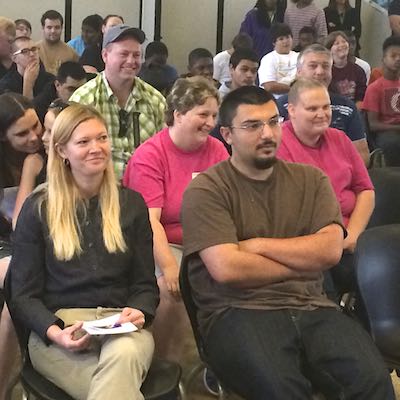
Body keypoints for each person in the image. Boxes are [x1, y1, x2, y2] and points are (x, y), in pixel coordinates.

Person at [181, 85, 395, 400]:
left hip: (312, 306)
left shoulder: (312, 181)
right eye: (252, 126)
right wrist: (303, 264)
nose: (267, 133)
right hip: (237, 311)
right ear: (226, 134)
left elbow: (331, 250)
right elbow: (228, 269)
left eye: (272, 122)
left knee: (374, 382)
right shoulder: (207, 190)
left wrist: (257, 246)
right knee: (283, 391)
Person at [6, 103, 159, 400]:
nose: (97, 148)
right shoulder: (39, 209)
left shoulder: (132, 205)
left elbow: (144, 285)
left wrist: (140, 311)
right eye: (84, 142)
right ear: (62, 151)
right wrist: (55, 331)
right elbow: (22, 295)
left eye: (102, 138)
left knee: (124, 355)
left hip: (121, 326)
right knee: (116, 388)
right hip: (62, 328)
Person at [123, 77, 228, 365]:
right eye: (202, 114)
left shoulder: (217, 150)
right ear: (178, 114)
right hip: (162, 241)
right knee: (177, 287)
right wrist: (169, 267)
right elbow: (150, 222)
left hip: (206, 240)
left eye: (214, 115)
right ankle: (177, 370)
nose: (210, 122)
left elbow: (226, 207)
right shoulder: (150, 156)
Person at [277, 78, 374, 298]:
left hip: (351, 235)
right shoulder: (278, 144)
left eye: (326, 107)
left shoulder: (340, 138)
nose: (322, 114)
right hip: (308, 241)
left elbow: (365, 190)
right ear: (291, 110)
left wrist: (354, 234)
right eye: (312, 108)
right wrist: (329, 241)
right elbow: (287, 210)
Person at [70, 25, 166, 180]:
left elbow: (166, 154)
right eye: (124, 54)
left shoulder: (155, 100)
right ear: (105, 55)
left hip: (145, 193)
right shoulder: (83, 100)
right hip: (97, 191)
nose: (131, 61)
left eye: (136, 55)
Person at [0, 93, 43, 400]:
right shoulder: (28, 163)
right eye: (22, 133)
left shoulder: (51, 150)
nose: (34, 137)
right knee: (18, 277)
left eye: (36, 126)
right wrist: (29, 172)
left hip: (39, 241)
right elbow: (18, 228)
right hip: (5, 243)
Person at [276, 44, 370, 164]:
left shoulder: (347, 108)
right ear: (299, 72)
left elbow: (362, 155)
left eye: (325, 66)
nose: (320, 72)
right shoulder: (280, 106)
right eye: (313, 66)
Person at [12, 99, 69, 227]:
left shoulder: (86, 166)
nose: (42, 137)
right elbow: (18, 221)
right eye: (45, 129)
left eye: (51, 132)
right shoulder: (34, 162)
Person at [363, 36, 400, 166]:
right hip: (386, 133)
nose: (398, 59)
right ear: (384, 59)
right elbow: (373, 125)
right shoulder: (375, 88)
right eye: (393, 55)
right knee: (393, 143)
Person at [324, 31, 366, 107]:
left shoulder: (358, 70)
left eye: (344, 42)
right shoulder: (326, 72)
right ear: (329, 49)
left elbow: (361, 97)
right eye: (337, 43)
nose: (342, 45)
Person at [258, 23, 298, 98]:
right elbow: (269, 86)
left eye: (287, 37)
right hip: (274, 99)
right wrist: (295, 90)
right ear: (274, 42)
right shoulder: (268, 59)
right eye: (281, 39)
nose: (285, 41)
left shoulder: (300, 56)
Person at [37, 10, 79, 75]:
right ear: (43, 28)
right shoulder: (33, 51)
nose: (53, 31)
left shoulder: (71, 53)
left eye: (57, 27)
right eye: (49, 27)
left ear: (62, 28)